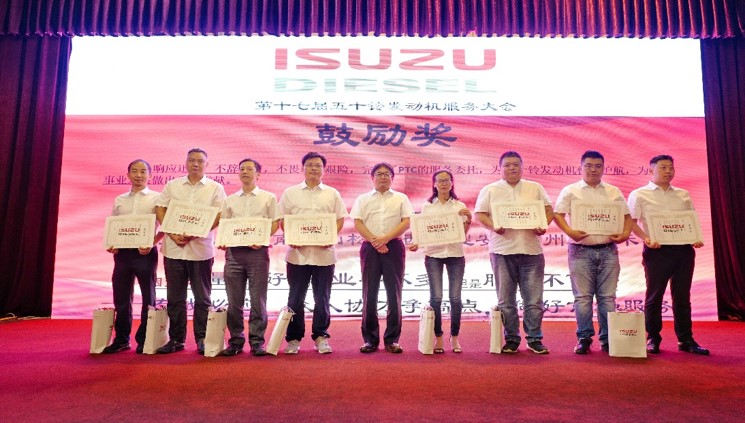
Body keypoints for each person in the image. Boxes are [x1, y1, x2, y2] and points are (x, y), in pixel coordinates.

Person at [628, 155, 709, 355]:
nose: (668, 171)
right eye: (663, 167)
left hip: (684, 250)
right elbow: (631, 222)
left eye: (671, 167)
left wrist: (695, 238)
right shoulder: (639, 194)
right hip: (657, 251)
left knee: (682, 296)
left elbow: (690, 220)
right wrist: (646, 238)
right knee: (654, 296)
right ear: (651, 170)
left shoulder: (683, 194)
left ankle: (686, 339)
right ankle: (653, 338)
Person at [474, 151, 554, 354]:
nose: (512, 168)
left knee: (534, 299)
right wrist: (494, 226)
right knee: (506, 300)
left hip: (531, 250)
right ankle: (511, 338)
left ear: (522, 167)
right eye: (507, 165)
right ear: (500, 168)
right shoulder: (490, 189)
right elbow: (480, 214)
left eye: (516, 165)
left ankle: (534, 338)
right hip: (502, 250)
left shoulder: (535, 187)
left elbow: (548, 209)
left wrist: (543, 224)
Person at [554, 150, 632, 354]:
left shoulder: (613, 191)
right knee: (582, 298)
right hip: (580, 250)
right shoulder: (570, 191)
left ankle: (608, 339)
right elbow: (557, 214)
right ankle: (584, 338)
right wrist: (570, 232)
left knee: (607, 298)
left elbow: (627, 216)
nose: (593, 170)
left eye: (598, 166)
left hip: (608, 250)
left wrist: (625, 234)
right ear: (581, 167)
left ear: (603, 168)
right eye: (588, 166)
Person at [155, 148, 227, 354]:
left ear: (207, 164)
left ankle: (202, 338)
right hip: (174, 249)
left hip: (200, 250)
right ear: (185, 163)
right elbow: (160, 208)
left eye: (200, 161)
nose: (195, 164)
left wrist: (196, 233)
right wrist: (171, 232)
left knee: (202, 298)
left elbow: (220, 215)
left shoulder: (215, 188)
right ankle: (176, 339)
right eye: (192, 160)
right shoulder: (173, 185)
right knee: (175, 298)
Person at [278, 152, 347, 354]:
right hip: (297, 255)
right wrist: (291, 235)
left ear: (323, 170)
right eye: (310, 165)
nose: (314, 168)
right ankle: (293, 339)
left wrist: (330, 236)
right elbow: (282, 219)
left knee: (322, 298)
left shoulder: (332, 193)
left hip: (324, 255)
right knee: (295, 299)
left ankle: (321, 336)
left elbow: (340, 219)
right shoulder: (290, 193)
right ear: (303, 168)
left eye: (318, 165)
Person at [218, 158, 280, 357]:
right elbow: (224, 225)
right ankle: (236, 341)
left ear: (258, 174)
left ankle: (257, 342)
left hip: (257, 253)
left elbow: (275, 222)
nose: (245, 172)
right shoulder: (230, 200)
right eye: (242, 169)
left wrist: (262, 239)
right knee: (233, 300)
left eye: (250, 169)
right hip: (234, 254)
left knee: (257, 299)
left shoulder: (268, 198)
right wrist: (223, 240)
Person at [351, 163, 413, 354]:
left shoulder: (401, 198)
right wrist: (375, 241)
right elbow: (358, 222)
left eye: (387, 174)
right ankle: (370, 340)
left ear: (392, 178)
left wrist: (385, 239)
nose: (383, 177)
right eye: (379, 174)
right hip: (369, 247)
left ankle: (392, 340)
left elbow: (406, 222)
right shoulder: (363, 199)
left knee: (394, 294)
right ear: (372, 178)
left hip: (394, 247)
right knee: (369, 293)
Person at [103, 159, 164, 354]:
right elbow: (113, 226)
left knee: (148, 298)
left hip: (145, 253)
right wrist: (111, 243)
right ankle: (122, 339)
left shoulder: (157, 198)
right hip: (122, 254)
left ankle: (145, 339)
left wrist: (152, 242)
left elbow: (166, 226)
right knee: (121, 298)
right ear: (128, 175)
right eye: (135, 171)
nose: (139, 175)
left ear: (150, 175)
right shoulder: (120, 199)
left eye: (143, 171)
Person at [409, 170, 472, 353]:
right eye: (439, 180)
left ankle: (455, 337)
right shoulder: (428, 206)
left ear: (452, 183)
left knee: (455, 298)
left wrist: (468, 220)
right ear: (434, 184)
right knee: (436, 298)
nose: (443, 183)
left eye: (446, 180)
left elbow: (462, 234)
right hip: (433, 255)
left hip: (455, 254)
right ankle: (438, 337)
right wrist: (417, 242)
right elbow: (424, 231)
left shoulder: (459, 205)